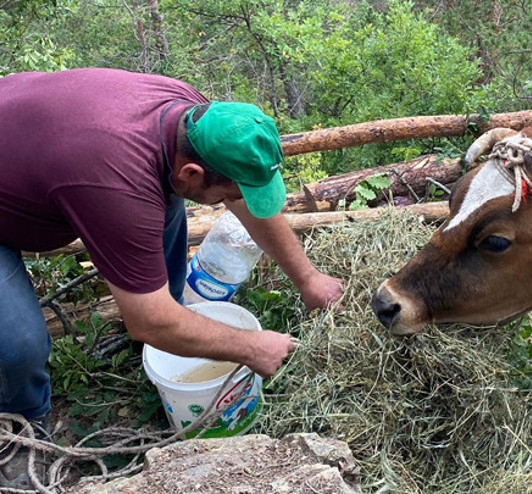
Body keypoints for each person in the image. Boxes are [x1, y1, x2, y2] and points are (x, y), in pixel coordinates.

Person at [0, 68, 345, 488]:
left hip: (30, 147)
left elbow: (249, 205)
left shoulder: (195, 119)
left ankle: (173, 323)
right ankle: (23, 425)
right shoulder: (117, 182)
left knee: (164, 201)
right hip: (31, 182)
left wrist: (308, 278)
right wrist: (252, 347)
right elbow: (147, 319)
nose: (234, 203)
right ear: (193, 174)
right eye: (229, 196)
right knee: (17, 344)